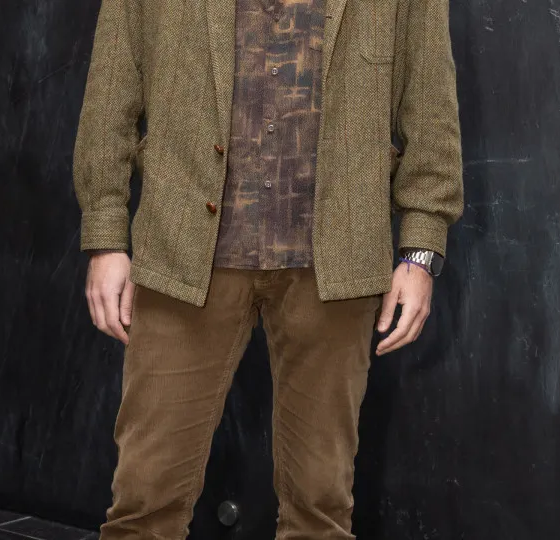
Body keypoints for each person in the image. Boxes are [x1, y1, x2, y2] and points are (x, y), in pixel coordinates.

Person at [73, 0, 462, 537]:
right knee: (144, 505)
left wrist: (421, 247)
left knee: (319, 513)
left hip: (335, 259)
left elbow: (430, 97)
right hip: (183, 249)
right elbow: (113, 83)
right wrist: (105, 235)